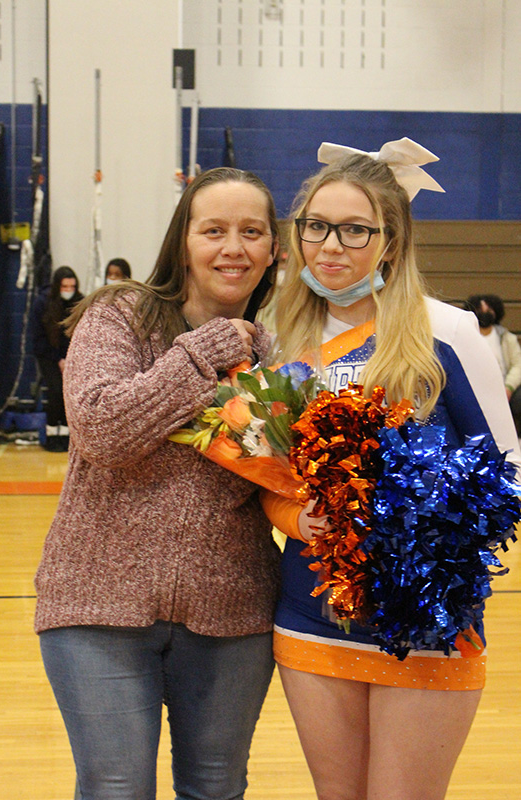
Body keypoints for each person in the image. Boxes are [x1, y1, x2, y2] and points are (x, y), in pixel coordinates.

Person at [259, 139, 521, 800]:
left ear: (390, 242)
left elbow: (508, 469)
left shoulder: (448, 332)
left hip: (427, 621)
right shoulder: (277, 338)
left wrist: (429, 522)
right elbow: (266, 480)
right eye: (316, 225)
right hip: (312, 611)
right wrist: (301, 517)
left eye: (355, 229)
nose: (331, 245)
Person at [34, 166, 281, 800]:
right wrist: (210, 350)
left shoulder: (280, 350)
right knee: (116, 787)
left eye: (252, 231)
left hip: (232, 612)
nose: (234, 247)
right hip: (96, 607)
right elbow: (101, 430)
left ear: (274, 249)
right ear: (182, 241)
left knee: (216, 787)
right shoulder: (120, 314)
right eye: (214, 230)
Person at [30, 265, 84, 451]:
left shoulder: (80, 302)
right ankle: (52, 435)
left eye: (72, 287)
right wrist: (58, 359)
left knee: (71, 395)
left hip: (73, 356)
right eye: (64, 287)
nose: (68, 291)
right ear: (57, 287)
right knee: (55, 392)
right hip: (48, 355)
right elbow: (37, 338)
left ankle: (69, 436)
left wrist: (69, 358)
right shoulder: (42, 303)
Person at [465, 293, 521, 438]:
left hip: (503, 387)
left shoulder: (506, 338)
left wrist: (508, 388)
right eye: (480, 309)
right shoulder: (465, 336)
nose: (484, 313)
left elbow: (518, 365)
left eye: (489, 310)